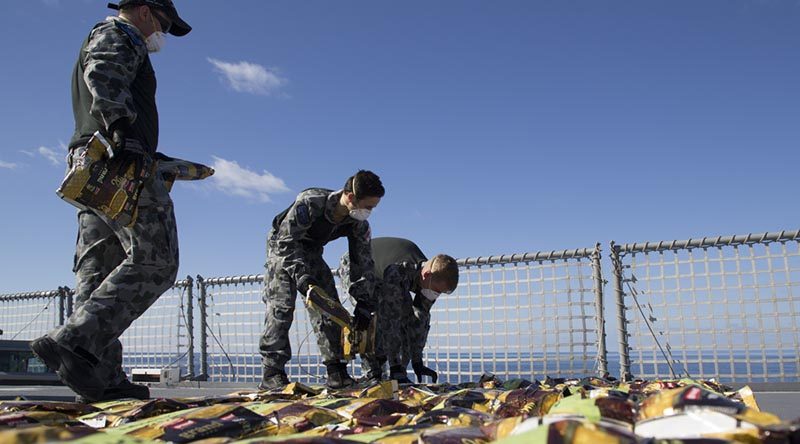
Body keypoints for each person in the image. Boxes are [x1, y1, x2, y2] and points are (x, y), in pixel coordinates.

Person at [31, 0, 191, 402]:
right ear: (143, 10)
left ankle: (100, 376)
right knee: (156, 259)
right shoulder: (119, 34)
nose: (162, 33)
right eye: (164, 23)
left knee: (99, 267)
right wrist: (124, 129)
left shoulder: (113, 35)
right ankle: (74, 342)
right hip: (119, 160)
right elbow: (101, 69)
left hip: (95, 161)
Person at [259, 170, 385, 390]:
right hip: (282, 247)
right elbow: (285, 242)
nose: (369, 212)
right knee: (281, 306)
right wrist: (302, 278)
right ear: (350, 196)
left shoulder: (358, 224)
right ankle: (272, 372)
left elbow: (362, 263)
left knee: (328, 306)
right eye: (368, 206)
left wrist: (364, 302)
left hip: (312, 251)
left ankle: (336, 371)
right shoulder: (310, 203)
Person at [339, 237, 459, 384]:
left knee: (405, 312)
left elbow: (419, 319)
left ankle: (392, 370)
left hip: (382, 276)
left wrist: (417, 361)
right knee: (369, 314)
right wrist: (396, 368)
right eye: (436, 291)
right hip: (357, 266)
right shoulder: (399, 271)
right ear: (427, 275)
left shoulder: (431, 277)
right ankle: (371, 372)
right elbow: (391, 318)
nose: (435, 295)